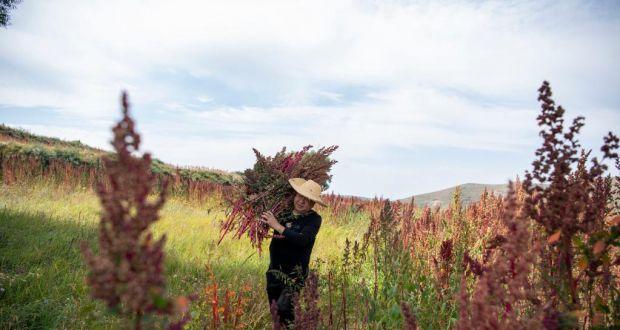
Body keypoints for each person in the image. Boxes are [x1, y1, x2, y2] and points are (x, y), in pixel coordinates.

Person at [260, 178, 325, 328]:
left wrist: (277, 225)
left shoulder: (314, 219)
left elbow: (302, 240)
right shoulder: (283, 212)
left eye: (307, 200)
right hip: (274, 270)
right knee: (276, 312)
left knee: (286, 310)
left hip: (294, 275)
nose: (301, 201)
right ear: (295, 195)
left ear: (313, 204)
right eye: (299, 196)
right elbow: (267, 223)